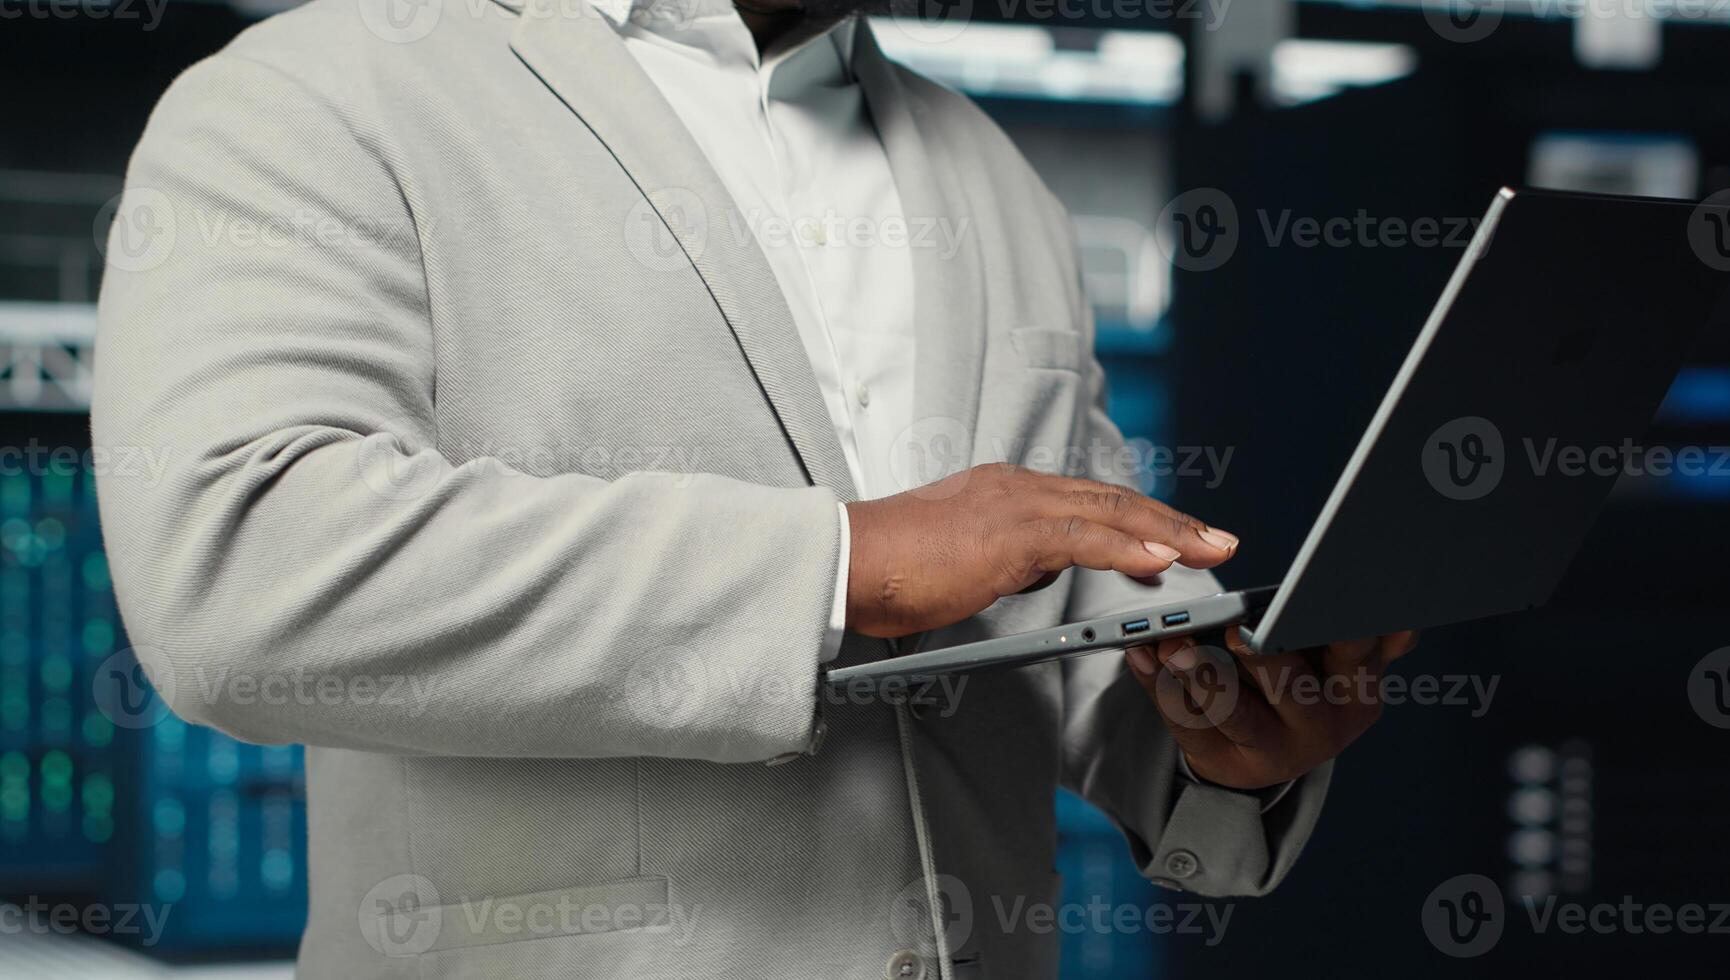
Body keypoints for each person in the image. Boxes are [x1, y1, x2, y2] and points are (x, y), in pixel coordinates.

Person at [92, 0, 1414, 975]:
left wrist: (1210, 744)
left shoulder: (990, 176)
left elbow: (1045, 608)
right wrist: (846, 565)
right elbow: (237, 564)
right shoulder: (321, 89)